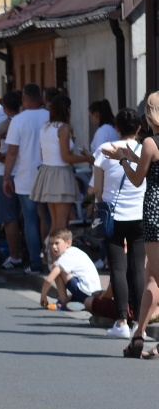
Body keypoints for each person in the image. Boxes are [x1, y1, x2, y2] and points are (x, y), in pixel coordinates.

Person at [101, 96, 159, 358]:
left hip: (155, 212)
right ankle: (138, 336)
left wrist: (121, 160)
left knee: (156, 277)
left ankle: (139, 335)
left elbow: (137, 179)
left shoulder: (150, 142)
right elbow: (149, 164)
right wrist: (129, 156)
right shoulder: (149, 145)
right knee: (150, 277)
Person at [92, 108, 146, 338]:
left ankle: (121, 321)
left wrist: (100, 203)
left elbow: (97, 189)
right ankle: (138, 323)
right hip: (140, 214)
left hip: (112, 216)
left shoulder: (105, 150)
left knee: (117, 267)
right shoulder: (145, 150)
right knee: (137, 268)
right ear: (139, 128)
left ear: (116, 128)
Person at [2, 83, 51, 273]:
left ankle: (35, 263)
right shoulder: (49, 116)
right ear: (41, 98)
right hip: (47, 173)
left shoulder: (18, 120)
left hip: (25, 175)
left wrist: (7, 177)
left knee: (30, 220)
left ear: (23, 99)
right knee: (47, 217)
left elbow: (12, 152)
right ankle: (50, 258)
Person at [31, 95, 92, 232]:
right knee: (63, 224)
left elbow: (44, 155)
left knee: (55, 223)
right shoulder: (63, 128)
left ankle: (50, 247)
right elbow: (66, 157)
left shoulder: (45, 128)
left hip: (47, 172)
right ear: (67, 109)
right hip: (61, 175)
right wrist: (87, 158)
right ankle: (59, 247)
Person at [0, 90, 25, 269]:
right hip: (25, 172)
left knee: (9, 217)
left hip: (6, 172)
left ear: (4, 107)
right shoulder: (25, 121)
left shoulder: (9, 122)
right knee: (27, 217)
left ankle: (15, 257)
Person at [38, 229, 100, 310]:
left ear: (68, 243)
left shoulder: (66, 256)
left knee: (56, 267)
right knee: (69, 296)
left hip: (85, 292)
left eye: (57, 243)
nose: (53, 247)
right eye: (51, 244)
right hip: (92, 294)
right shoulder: (74, 251)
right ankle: (79, 302)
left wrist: (43, 296)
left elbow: (49, 280)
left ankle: (63, 301)